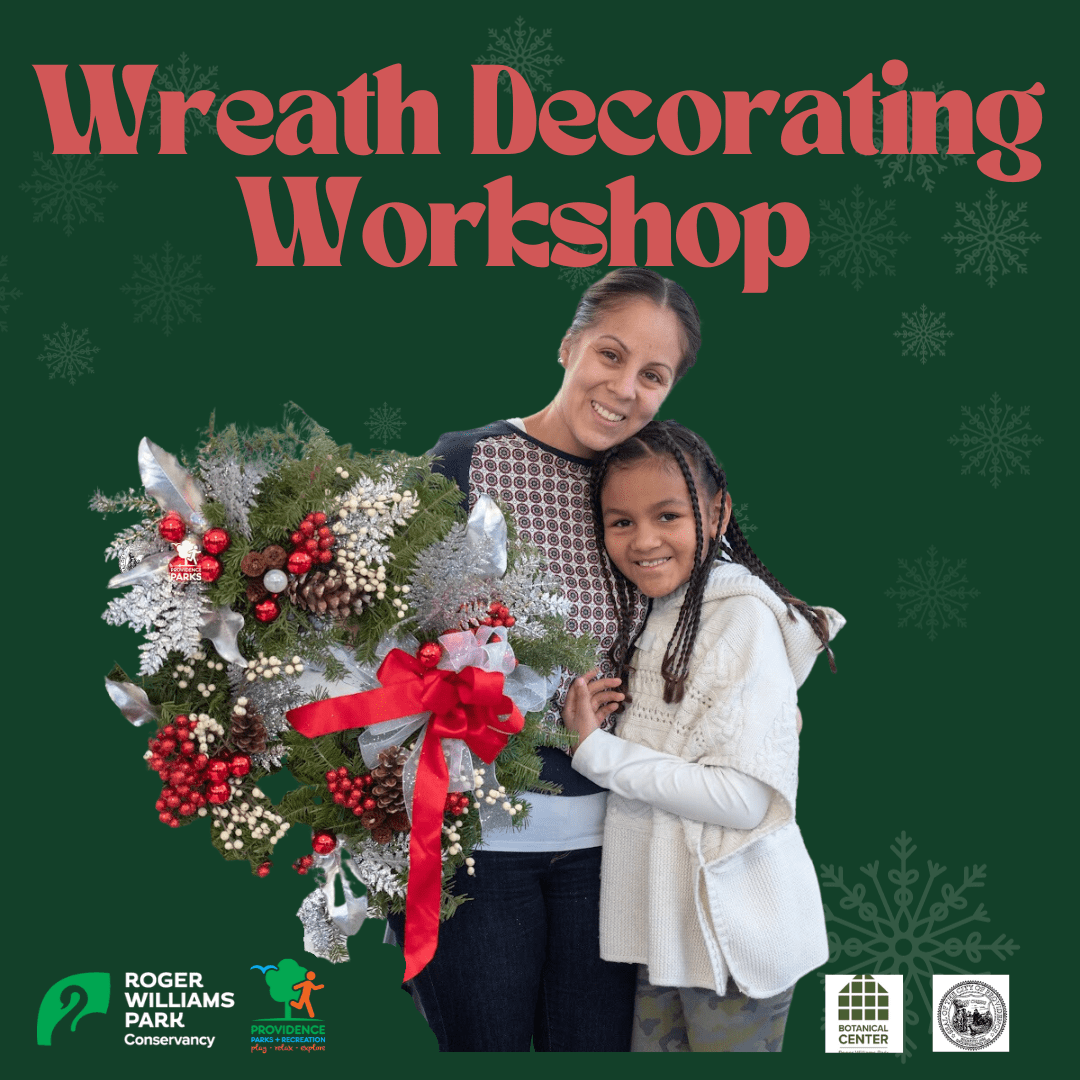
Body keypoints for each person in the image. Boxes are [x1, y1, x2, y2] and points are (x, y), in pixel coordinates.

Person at [386, 268, 701, 1052]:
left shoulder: (657, 494)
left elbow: (717, 611)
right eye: (611, 354)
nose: (626, 389)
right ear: (568, 347)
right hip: (477, 849)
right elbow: (385, 640)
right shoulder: (467, 461)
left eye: (653, 376)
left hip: (614, 851)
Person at [562, 420, 840, 1052]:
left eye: (668, 515)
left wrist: (598, 753)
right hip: (669, 934)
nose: (644, 541)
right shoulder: (654, 612)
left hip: (734, 938)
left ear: (718, 513)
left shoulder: (739, 617)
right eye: (621, 521)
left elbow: (744, 799)